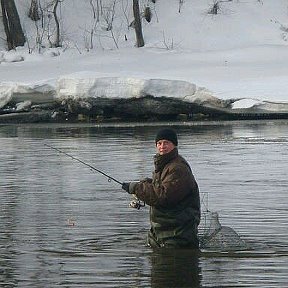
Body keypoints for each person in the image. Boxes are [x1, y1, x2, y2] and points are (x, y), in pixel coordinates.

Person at [122, 128, 201, 249]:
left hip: (177, 234)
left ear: (174, 145)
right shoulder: (165, 165)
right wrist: (146, 183)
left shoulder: (178, 168)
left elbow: (163, 196)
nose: (162, 146)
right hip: (162, 232)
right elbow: (161, 186)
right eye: (159, 143)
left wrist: (137, 188)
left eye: (166, 142)